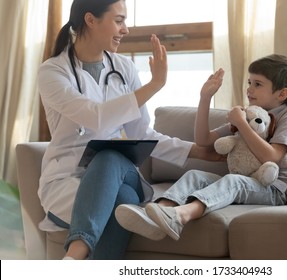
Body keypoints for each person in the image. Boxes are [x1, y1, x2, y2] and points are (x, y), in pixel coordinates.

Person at [37, 0, 220, 260]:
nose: (126, 30)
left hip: (120, 173)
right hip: (67, 181)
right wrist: (154, 84)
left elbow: (141, 134)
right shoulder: (53, 72)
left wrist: (198, 151)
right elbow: (95, 117)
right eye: (119, 20)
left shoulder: (123, 68)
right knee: (122, 204)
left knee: (110, 156)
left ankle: (73, 259)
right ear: (91, 20)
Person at [116, 54, 287, 241]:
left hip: (272, 189)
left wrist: (241, 124)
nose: (249, 89)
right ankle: (158, 215)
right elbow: (203, 140)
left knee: (233, 181)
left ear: (282, 94)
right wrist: (205, 98)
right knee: (194, 175)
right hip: (245, 181)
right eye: (249, 82)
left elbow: (272, 157)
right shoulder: (246, 114)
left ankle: (180, 216)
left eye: (258, 84)